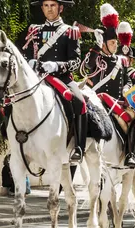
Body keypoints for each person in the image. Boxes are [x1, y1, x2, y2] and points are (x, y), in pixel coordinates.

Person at [22, 0, 87, 164]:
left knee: (80, 103)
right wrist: (29, 62)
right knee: (13, 99)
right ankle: (15, 142)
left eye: (53, 5)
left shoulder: (70, 32)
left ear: (61, 8)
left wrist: (56, 65)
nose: (49, 9)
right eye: (46, 5)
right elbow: (26, 55)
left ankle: (78, 147)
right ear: (42, 8)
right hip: (37, 78)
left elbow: (76, 62)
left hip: (62, 78)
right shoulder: (34, 30)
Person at [81, 4, 135, 168]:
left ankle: (130, 154)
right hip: (97, 101)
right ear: (104, 43)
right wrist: (96, 48)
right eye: (112, 43)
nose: (115, 46)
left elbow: (127, 79)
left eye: (116, 43)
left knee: (134, 120)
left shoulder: (122, 61)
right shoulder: (96, 57)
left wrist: (127, 88)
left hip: (117, 103)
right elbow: (85, 68)